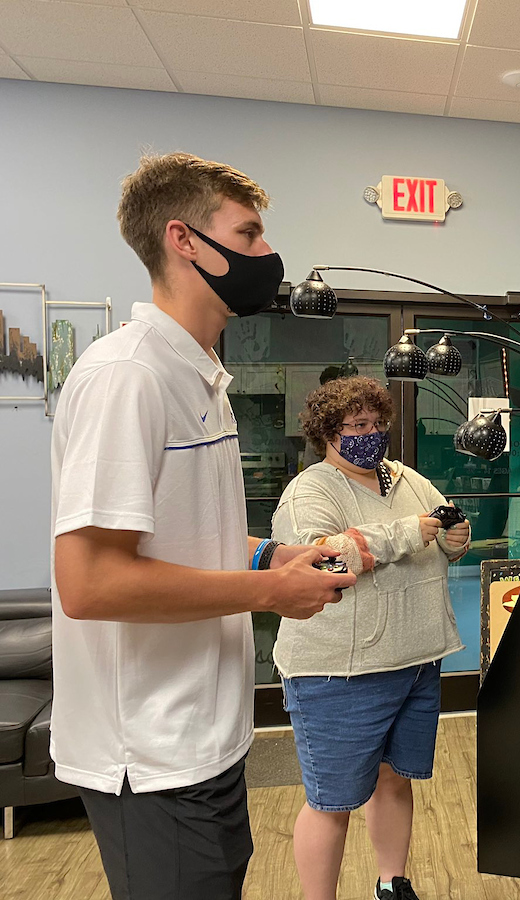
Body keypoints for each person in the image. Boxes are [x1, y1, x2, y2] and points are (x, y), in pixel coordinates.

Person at [50, 152, 356, 900]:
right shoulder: (128, 377)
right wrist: (268, 591)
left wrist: (270, 554)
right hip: (150, 757)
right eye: (248, 235)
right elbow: (88, 584)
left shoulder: (202, 379)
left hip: (209, 740)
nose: (266, 256)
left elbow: (176, 543)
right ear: (185, 241)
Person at [272, 375, 470, 900]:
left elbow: (439, 529)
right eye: (357, 425)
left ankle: (391, 882)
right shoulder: (308, 491)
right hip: (339, 672)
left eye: (378, 423)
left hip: (415, 658)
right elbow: (327, 558)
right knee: (331, 802)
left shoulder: (407, 478)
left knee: (395, 779)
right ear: (327, 433)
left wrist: (454, 539)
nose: (371, 433)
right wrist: (411, 531)